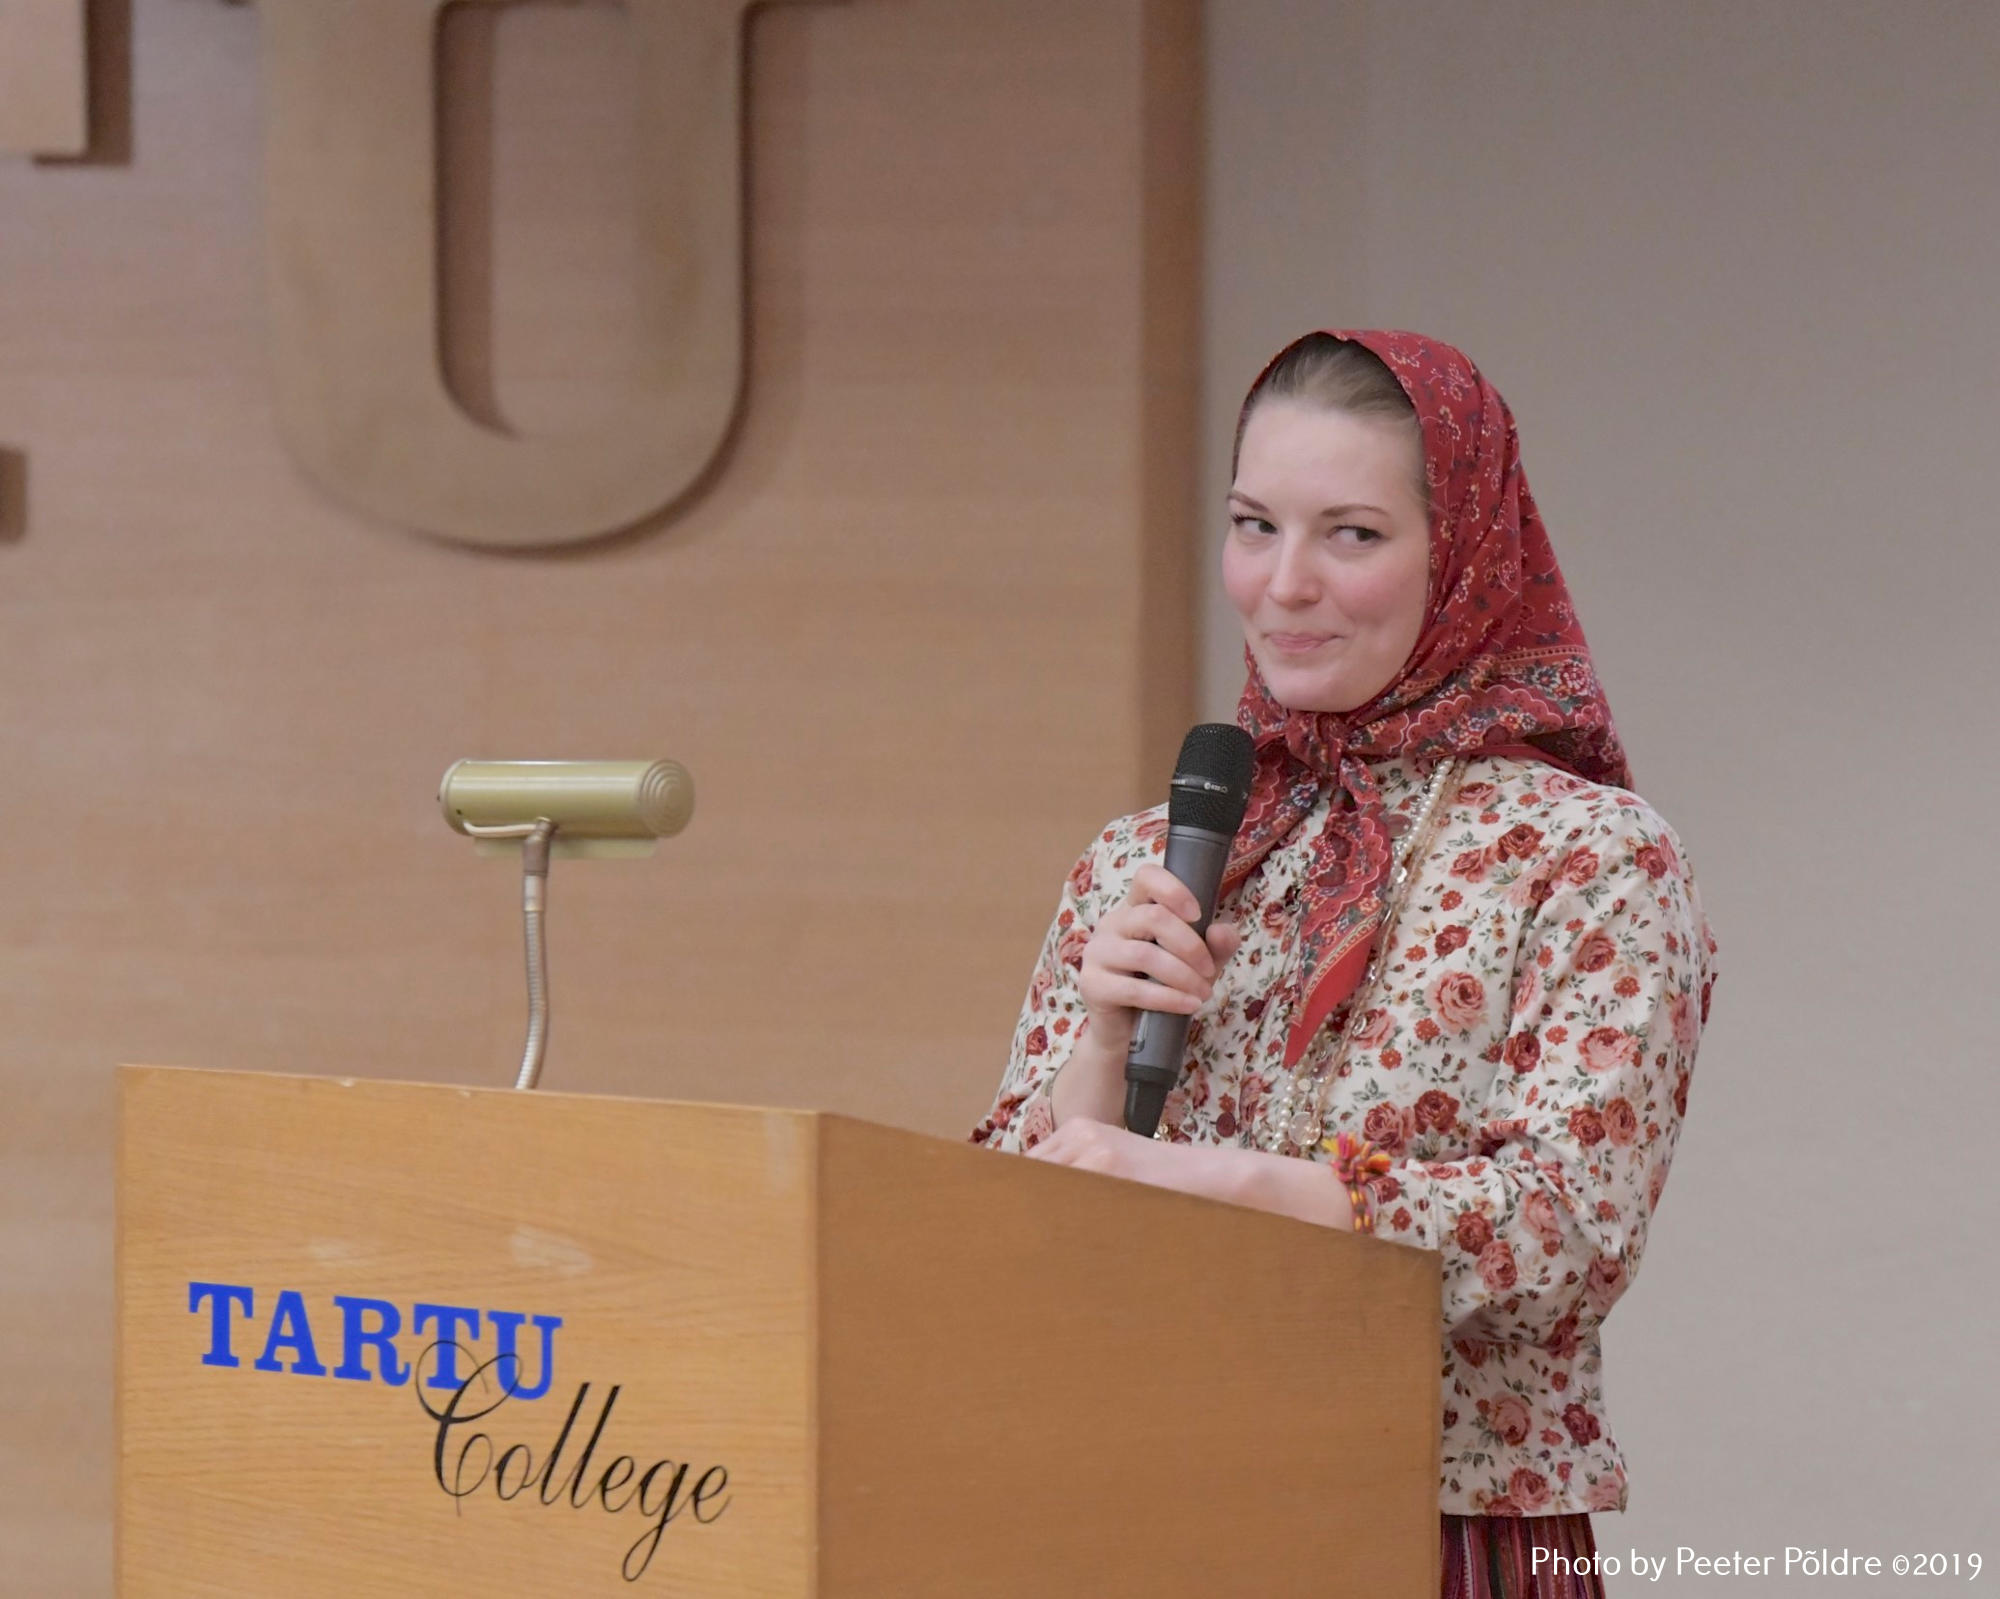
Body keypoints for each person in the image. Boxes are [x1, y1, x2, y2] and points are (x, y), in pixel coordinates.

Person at [970, 330, 1716, 1599]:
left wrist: (1213, 1182)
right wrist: (1100, 1046)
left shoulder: (1586, 854)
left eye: (1350, 535)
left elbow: (1564, 1234)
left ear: (1463, 553)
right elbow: (995, 1233)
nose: (1283, 585)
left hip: (1425, 1521)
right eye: (1252, 526)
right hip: (1129, 1494)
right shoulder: (1147, 855)